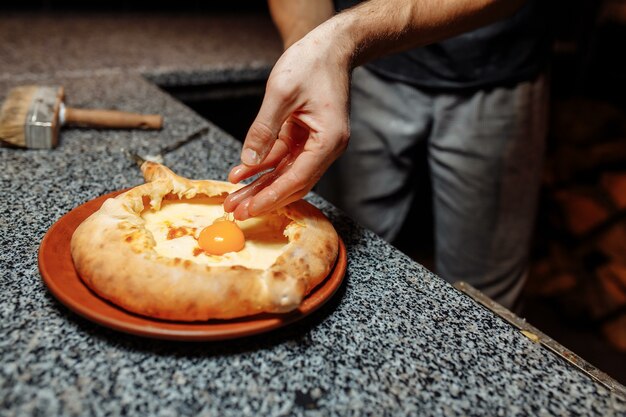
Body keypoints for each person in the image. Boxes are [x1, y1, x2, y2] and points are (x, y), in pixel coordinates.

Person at [223, 0, 551, 309]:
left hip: (499, 72)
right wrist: (310, 54)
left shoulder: (350, 34)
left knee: (486, 293)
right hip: (363, 64)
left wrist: (342, 38)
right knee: (347, 257)